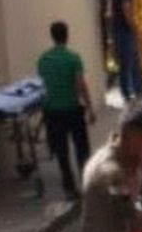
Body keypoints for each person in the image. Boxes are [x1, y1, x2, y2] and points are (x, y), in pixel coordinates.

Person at [36, 21, 97, 200]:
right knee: (81, 147)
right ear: (66, 35)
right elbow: (80, 85)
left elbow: (42, 84)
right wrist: (90, 107)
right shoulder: (73, 58)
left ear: (52, 36)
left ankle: (69, 187)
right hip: (71, 107)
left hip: (52, 110)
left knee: (61, 150)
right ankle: (87, 183)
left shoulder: (43, 60)